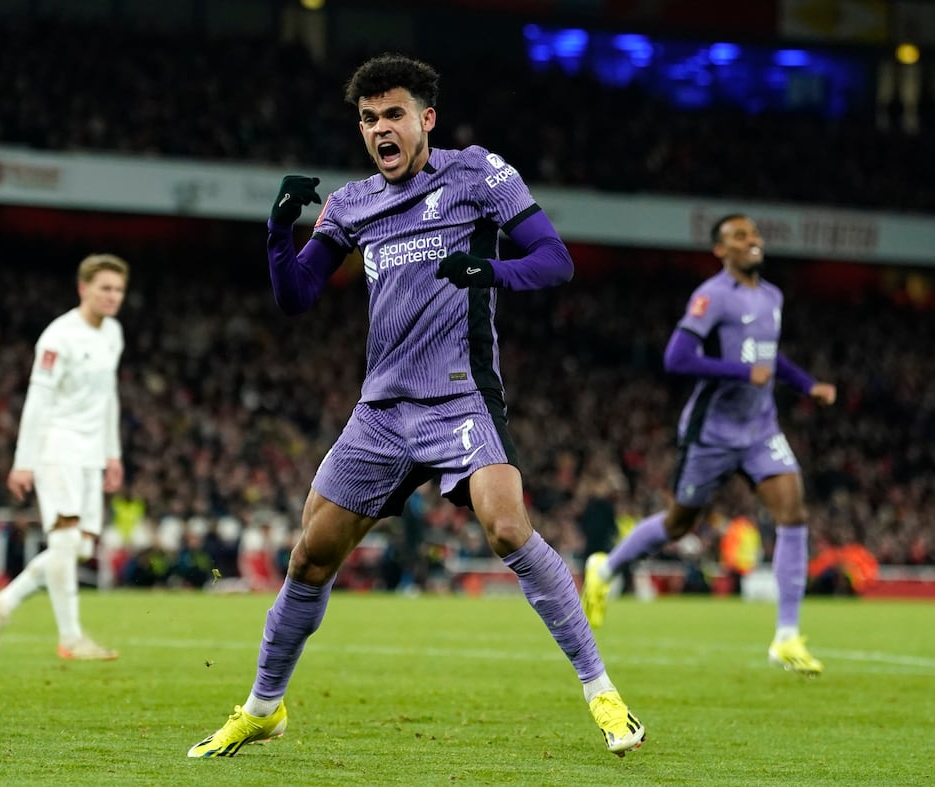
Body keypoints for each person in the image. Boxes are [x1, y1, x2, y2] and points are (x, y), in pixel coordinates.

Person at [188, 53, 645, 759]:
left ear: (425, 118)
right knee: (309, 558)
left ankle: (603, 693)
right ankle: (263, 707)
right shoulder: (349, 204)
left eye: (393, 114)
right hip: (382, 411)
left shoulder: (478, 175)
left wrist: (488, 269)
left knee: (506, 527)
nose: (379, 129)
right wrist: (280, 233)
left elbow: (555, 259)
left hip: (460, 392)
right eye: (368, 119)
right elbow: (295, 297)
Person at [581, 214, 836, 676]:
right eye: (740, 236)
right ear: (721, 250)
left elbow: (768, 355)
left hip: (760, 429)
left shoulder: (772, 296)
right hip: (712, 432)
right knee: (679, 524)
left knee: (793, 512)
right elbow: (676, 357)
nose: (752, 240)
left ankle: (786, 636)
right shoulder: (712, 296)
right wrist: (741, 373)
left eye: (754, 233)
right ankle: (605, 568)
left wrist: (806, 385)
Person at [0, 253, 129, 661]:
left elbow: (108, 397)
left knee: (77, 550)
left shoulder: (113, 333)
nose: (113, 296)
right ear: (84, 289)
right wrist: (23, 461)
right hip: (56, 446)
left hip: (91, 453)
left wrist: (112, 454)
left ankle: (2, 604)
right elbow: (37, 401)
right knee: (63, 541)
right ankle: (71, 638)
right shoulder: (58, 337)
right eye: (105, 288)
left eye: (118, 289)